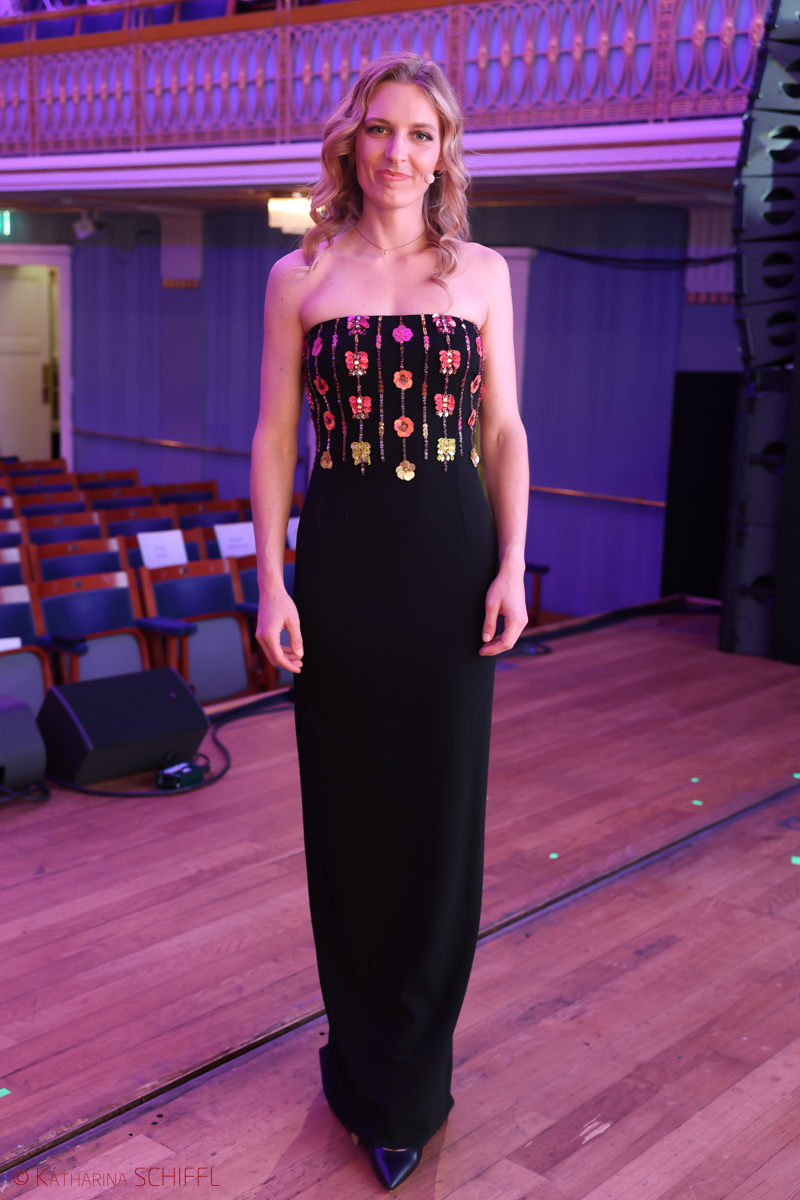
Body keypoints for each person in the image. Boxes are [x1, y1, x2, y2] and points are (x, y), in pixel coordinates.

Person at [250, 50, 529, 1191]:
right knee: (350, 822)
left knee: (438, 822)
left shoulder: (484, 275)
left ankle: (413, 1080)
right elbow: (275, 439)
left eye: (419, 133)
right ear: (350, 144)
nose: (396, 153)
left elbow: (504, 432)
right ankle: (360, 1067)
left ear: (443, 152)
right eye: (379, 130)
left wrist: (511, 564)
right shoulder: (299, 275)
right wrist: (272, 582)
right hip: (341, 571)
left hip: (451, 573)